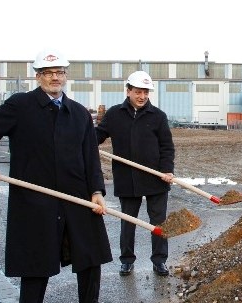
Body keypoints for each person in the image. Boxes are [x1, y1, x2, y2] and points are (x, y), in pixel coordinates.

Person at [0, 49, 112, 302]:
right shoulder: (20, 106)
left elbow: (90, 157)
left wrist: (97, 191)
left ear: (65, 76)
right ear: (38, 77)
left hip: (77, 199)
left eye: (59, 72)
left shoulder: (78, 113)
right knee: (35, 267)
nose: (54, 77)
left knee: (90, 260)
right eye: (48, 73)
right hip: (35, 200)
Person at [95, 70, 175, 277]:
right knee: (128, 222)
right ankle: (127, 260)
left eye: (146, 93)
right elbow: (98, 135)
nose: (142, 96)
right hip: (126, 178)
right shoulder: (114, 114)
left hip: (155, 179)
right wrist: (85, 137)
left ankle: (159, 260)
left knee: (159, 223)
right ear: (128, 90)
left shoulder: (157, 116)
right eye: (138, 92)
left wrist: (167, 170)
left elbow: (167, 146)